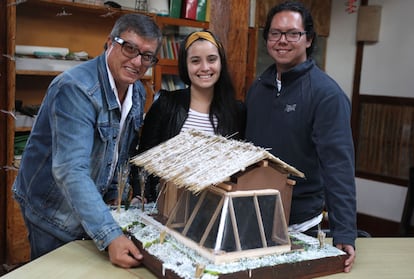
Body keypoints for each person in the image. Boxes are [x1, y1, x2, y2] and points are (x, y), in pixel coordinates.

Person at [12, 13, 162, 268]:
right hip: (51, 211)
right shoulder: (76, 88)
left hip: (89, 206)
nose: (137, 62)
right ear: (110, 43)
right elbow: (70, 169)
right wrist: (110, 234)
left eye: (147, 56)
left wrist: (117, 195)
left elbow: (118, 152)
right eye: (129, 48)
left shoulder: (136, 89)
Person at [244, 1, 357, 273]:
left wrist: (344, 232)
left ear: (308, 39)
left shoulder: (326, 94)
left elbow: (338, 167)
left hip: (300, 223)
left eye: (292, 33)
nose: (283, 41)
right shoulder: (258, 87)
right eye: (275, 33)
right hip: (251, 215)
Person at [132, 30, 246, 202]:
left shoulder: (237, 111)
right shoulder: (166, 104)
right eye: (195, 61)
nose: (205, 68)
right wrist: (142, 196)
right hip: (166, 205)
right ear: (185, 65)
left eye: (212, 59)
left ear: (221, 63)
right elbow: (143, 159)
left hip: (215, 207)